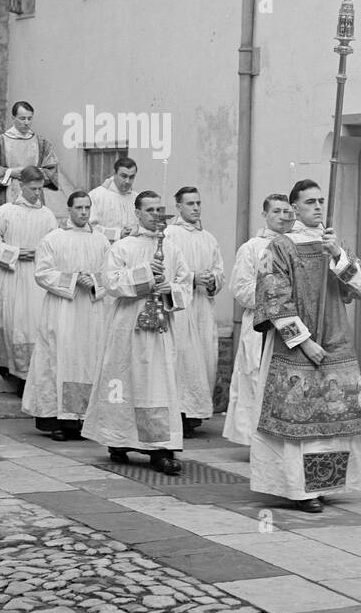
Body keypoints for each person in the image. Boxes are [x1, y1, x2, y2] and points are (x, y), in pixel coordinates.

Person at [250, 178, 361, 512]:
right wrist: (304, 342)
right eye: (309, 202)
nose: (318, 207)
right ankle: (299, 490)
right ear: (295, 208)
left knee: (331, 422)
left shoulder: (333, 243)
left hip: (335, 340)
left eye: (321, 201)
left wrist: (337, 255)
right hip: (295, 347)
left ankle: (325, 483)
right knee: (299, 424)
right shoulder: (280, 246)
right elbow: (274, 297)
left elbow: (360, 286)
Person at [82, 191, 191, 476]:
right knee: (124, 381)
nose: (156, 215)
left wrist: (171, 289)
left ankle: (162, 448)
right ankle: (118, 440)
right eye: (150, 209)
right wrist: (144, 274)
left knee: (159, 385)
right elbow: (111, 283)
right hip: (128, 327)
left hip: (160, 329)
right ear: (137, 213)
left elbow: (185, 284)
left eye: (160, 209)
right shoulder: (123, 247)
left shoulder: (173, 248)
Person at [22, 190, 110, 441]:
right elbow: (42, 272)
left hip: (91, 312)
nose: (83, 212)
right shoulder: (53, 238)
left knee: (87, 361)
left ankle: (83, 419)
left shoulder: (102, 241)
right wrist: (73, 280)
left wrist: (92, 280)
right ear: (69, 209)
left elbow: (110, 272)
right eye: (79, 208)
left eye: (87, 208)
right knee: (58, 360)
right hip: (62, 310)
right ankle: (57, 420)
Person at [0, 165, 57, 394]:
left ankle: (27, 378)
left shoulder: (47, 216)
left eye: (40, 189)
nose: (37, 193)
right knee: (9, 322)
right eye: (33, 189)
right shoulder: (5, 211)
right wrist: (16, 252)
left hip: (35, 277)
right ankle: (8, 366)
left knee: (33, 326)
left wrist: (39, 254)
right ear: (20, 186)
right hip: (10, 274)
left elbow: (54, 245)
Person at [223, 194, 295, 447]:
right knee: (256, 378)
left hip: (292, 324)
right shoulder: (252, 247)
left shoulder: (296, 244)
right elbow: (241, 288)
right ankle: (255, 440)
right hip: (260, 323)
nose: (282, 216)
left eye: (287, 211)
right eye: (276, 211)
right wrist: (274, 298)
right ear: (264, 214)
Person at [163, 185, 224, 437]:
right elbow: (166, 271)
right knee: (183, 359)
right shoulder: (169, 234)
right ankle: (178, 413)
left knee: (205, 357)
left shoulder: (208, 237)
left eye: (198, 203)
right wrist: (191, 278)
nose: (196, 208)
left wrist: (212, 281)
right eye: (190, 204)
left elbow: (219, 269)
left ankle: (195, 413)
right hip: (180, 307)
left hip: (202, 306)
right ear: (178, 207)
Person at [0, 101, 59, 228]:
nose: (26, 122)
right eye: (22, 118)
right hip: (6, 194)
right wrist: (9, 172)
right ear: (13, 118)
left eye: (29, 118)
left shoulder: (40, 142)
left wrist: (33, 174)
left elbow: (52, 168)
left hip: (34, 194)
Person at [89, 158, 139, 241]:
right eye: (123, 176)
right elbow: (90, 227)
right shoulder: (96, 196)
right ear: (114, 174)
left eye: (131, 177)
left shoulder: (137, 198)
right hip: (105, 248)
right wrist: (117, 234)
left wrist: (134, 230)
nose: (127, 181)